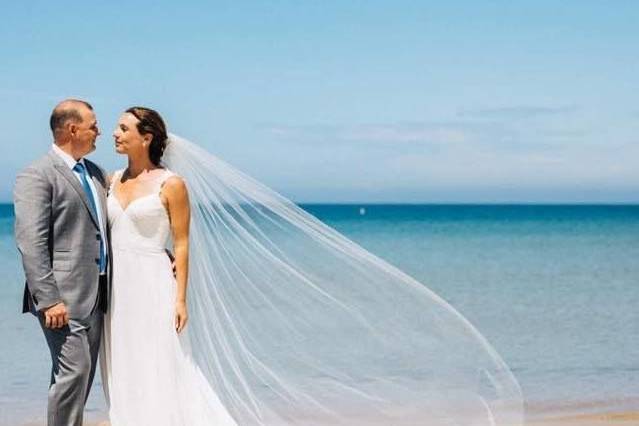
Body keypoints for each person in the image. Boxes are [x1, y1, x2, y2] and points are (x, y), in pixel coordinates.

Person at [102, 106, 524, 425]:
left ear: (147, 136)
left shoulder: (171, 184)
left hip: (155, 285)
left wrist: (180, 298)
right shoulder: (112, 181)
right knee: (124, 359)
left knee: (163, 360)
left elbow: (183, 243)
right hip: (119, 288)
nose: (115, 134)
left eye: (123, 128)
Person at [14, 99, 110, 426]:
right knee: (74, 371)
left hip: (98, 293)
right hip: (61, 299)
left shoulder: (96, 174)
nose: (99, 131)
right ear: (72, 129)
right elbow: (31, 241)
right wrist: (49, 298)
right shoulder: (37, 174)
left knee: (81, 377)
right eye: (93, 125)